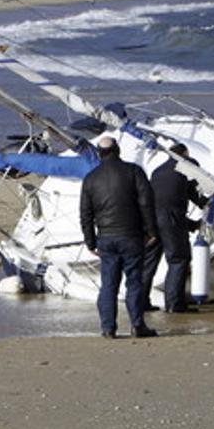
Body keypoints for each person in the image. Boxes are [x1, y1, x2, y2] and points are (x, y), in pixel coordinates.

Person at [79, 136, 159, 339]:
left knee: (109, 285)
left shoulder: (91, 178)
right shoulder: (134, 171)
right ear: (118, 150)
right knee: (134, 282)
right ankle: (137, 326)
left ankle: (108, 328)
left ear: (99, 153)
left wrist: (90, 241)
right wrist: (152, 231)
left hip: (106, 237)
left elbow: (85, 213)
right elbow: (146, 203)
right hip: (131, 235)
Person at [150, 143, 207, 313]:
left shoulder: (157, 171)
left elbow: (166, 199)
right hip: (171, 219)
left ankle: (142, 302)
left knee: (150, 262)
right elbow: (194, 191)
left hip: (152, 220)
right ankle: (174, 304)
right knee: (178, 259)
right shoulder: (187, 165)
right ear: (185, 154)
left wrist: (190, 224)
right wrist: (208, 203)